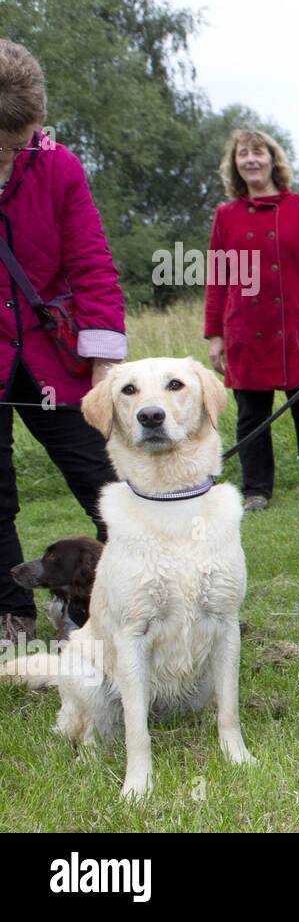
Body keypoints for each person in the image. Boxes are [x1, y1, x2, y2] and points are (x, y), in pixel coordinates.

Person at [0, 39, 125, 645]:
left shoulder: (60, 167)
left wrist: (104, 363)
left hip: (54, 357)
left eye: (27, 135)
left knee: (107, 486)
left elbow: (93, 265)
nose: (22, 147)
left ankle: (139, 595)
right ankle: (12, 614)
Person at [204, 127, 299, 513]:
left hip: (298, 327)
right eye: (243, 154)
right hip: (245, 329)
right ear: (235, 165)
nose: (251, 160)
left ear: (273, 159)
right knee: (251, 417)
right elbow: (218, 276)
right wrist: (215, 335)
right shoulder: (226, 216)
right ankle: (256, 490)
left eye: (258, 152)